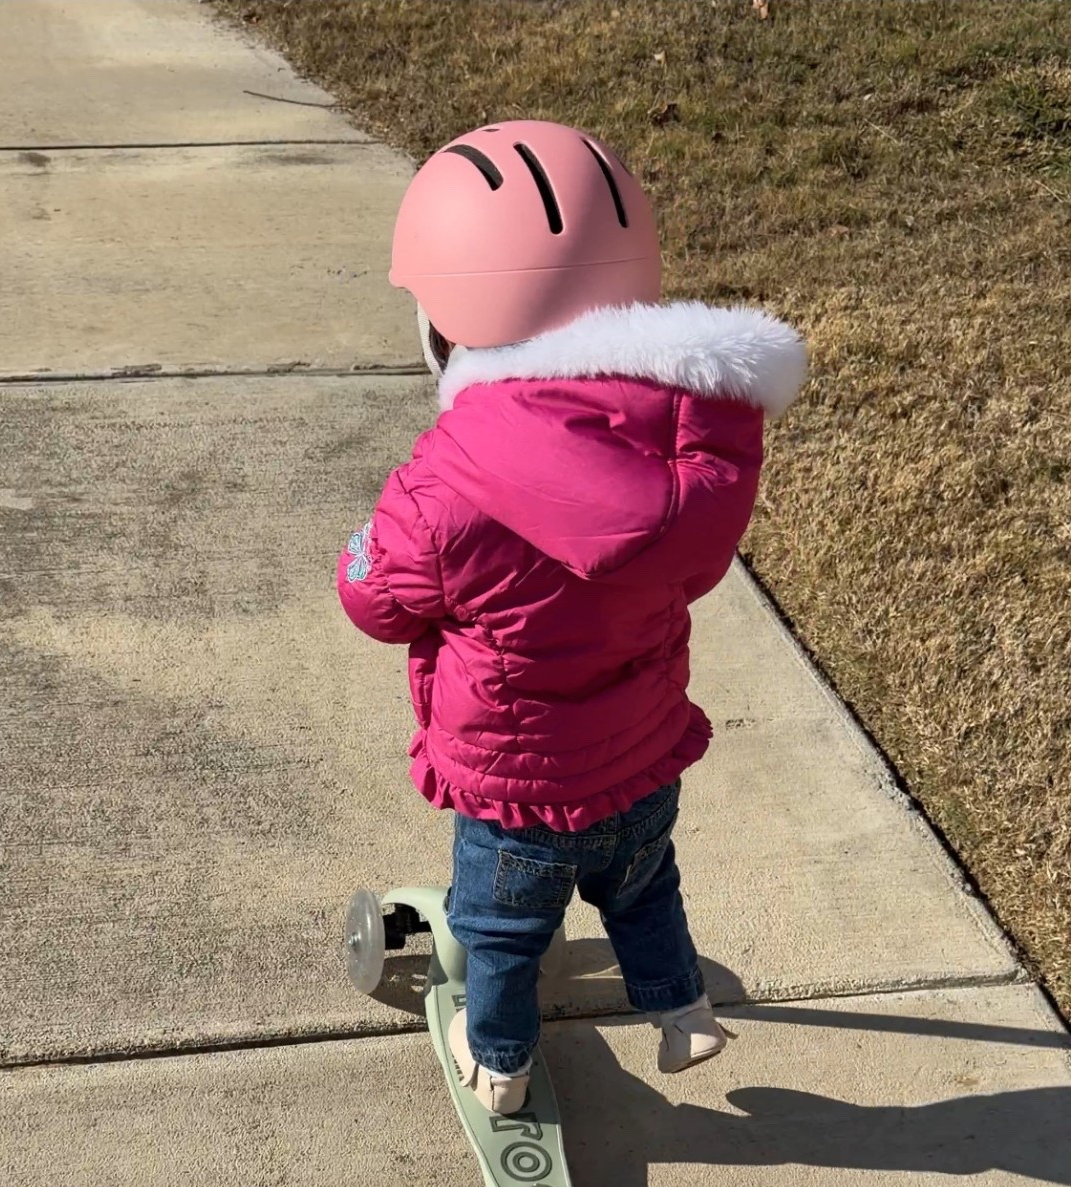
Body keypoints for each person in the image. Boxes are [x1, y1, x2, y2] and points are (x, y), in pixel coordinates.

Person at [338, 120, 807, 1115]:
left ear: (450, 321)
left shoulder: (445, 483)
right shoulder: (690, 444)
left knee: (502, 936)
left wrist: (363, 543)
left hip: (518, 791)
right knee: (643, 887)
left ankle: (499, 1063)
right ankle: (683, 1011)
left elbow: (376, 603)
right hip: (638, 763)